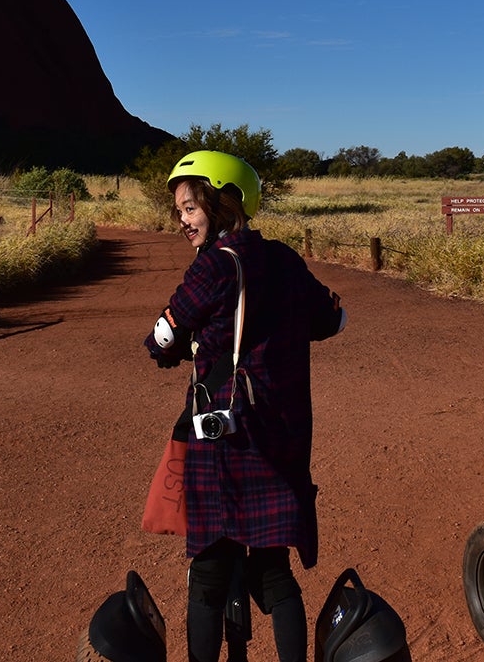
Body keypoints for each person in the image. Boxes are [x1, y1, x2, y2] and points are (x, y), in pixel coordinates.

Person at [144, 150, 346, 662]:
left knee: (210, 570)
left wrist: (171, 343)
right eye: (180, 211)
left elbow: (163, 339)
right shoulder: (284, 259)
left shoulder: (213, 264)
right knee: (273, 566)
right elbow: (331, 321)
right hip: (282, 432)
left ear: (223, 202)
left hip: (225, 435)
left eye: (191, 208)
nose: (183, 221)